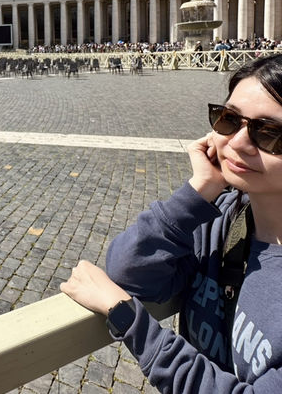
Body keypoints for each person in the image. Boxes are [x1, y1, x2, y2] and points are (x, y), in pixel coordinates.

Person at [61, 53, 282, 392]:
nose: (237, 143)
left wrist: (125, 316)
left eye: (268, 133)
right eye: (229, 119)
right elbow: (127, 269)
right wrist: (200, 190)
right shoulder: (221, 218)